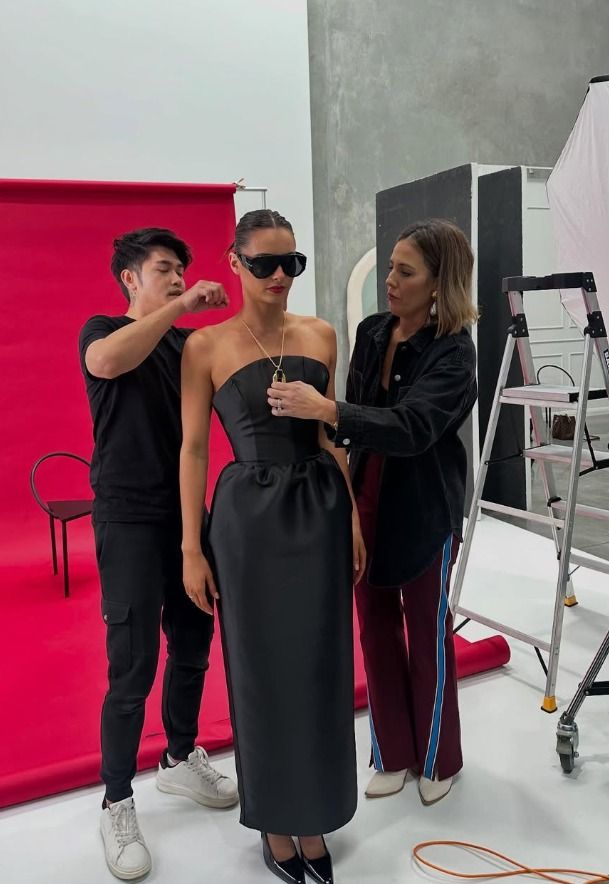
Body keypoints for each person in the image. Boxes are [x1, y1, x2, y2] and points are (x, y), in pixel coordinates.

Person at [180, 209, 363, 884]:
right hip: (247, 524)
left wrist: (351, 518)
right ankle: (275, 822)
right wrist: (191, 546)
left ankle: (314, 814)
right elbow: (193, 449)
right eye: (264, 264)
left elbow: (328, 438)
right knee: (259, 670)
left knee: (319, 667)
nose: (280, 276)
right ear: (234, 263)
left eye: (292, 263)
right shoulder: (205, 347)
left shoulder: (320, 335)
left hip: (318, 511)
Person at [270, 218, 478, 806]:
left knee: (428, 634)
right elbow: (359, 421)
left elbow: (413, 428)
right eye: (390, 267)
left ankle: (438, 756)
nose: (389, 280)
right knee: (374, 625)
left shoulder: (455, 353)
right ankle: (391, 751)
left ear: (438, 284)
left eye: (405, 272)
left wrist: (327, 409)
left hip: (425, 504)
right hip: (366, 492)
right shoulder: (372, 331)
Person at [79, 227, 238, 881]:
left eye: (181, 270)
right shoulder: (103, 331)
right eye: (164, 269)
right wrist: (181, 307)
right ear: (131, 278)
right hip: (127, 518)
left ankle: (178, 756)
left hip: (187, 516)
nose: (177, 279)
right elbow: (106, 363)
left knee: (195, 643)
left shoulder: (189, 345)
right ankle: (116, 801)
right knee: (133, 665)